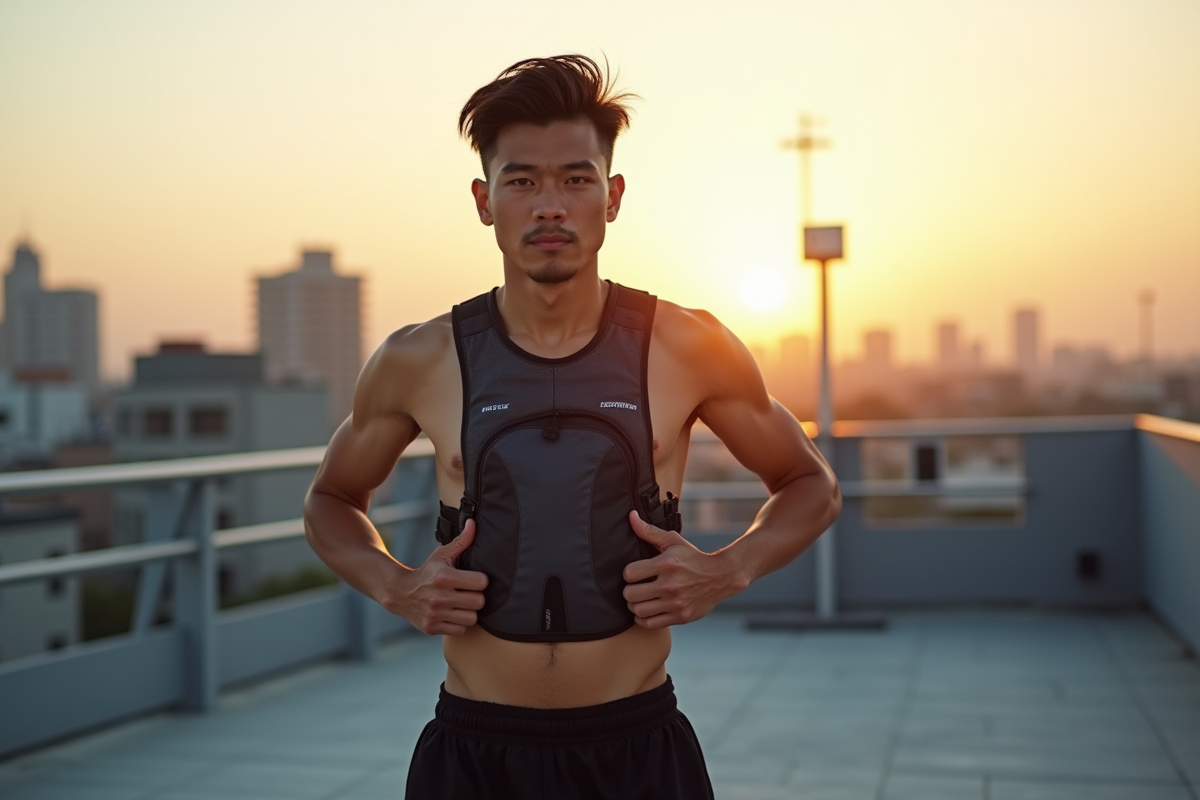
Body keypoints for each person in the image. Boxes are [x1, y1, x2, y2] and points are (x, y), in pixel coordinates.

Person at [304, 54, 841, 800]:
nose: (549, 206)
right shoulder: (418, 358)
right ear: (484, 199)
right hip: (476, 752)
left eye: (575, 180)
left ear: (612, 196)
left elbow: (809, 483)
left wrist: (730, 568)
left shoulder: (689, 346)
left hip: (637, 749)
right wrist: (395, 586)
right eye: (521, 181)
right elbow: (331, 500)